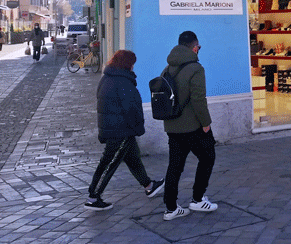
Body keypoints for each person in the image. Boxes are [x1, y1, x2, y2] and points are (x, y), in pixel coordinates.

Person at [85, 50, 164, 211]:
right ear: (128, 64)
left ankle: (149, 185)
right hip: (120, 130)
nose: (134, 66)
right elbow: (131, 108)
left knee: (133, 158)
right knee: (108, 163)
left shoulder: (108, 78)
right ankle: (93, 196)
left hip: (114, 127)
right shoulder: (123, 82)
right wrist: (137, 126)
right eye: (133, 63)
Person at [162, 31, 216, 220]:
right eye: (198, 47)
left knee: (175, 166)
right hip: (192, 127)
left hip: (172, 126)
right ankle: (198, 198)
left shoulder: (168, 68)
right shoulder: (196, 69)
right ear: (194, 47)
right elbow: (198, 99)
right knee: (208, 157)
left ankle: (170, 208)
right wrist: (206, 123)